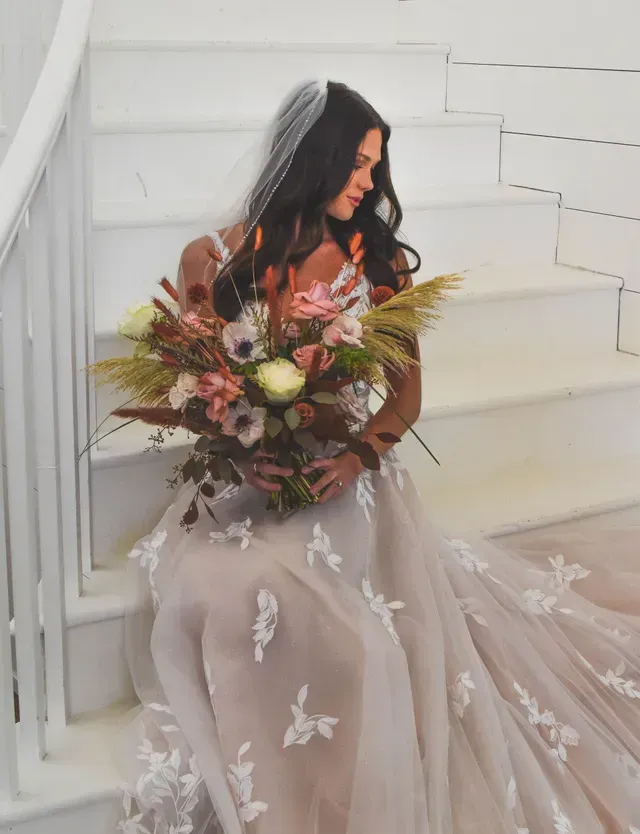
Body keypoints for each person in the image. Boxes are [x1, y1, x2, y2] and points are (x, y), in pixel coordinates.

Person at [114, 80, 640, 833]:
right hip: (249, 478)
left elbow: (405, 401)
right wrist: (240, 447)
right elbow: (203, 389)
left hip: (345, 479)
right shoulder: (214, 258)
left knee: (324, 610)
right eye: (359, 165)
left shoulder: (379, 264)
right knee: (221, 586)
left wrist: (355, 460)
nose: (370, 183)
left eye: (375, 166)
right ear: (314, 162)